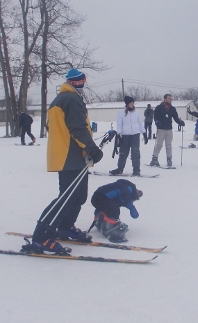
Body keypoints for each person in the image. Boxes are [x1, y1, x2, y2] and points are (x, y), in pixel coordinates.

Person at [23, 69, 104, 255]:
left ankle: (65, 227)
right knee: (66, 198)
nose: (84, 85)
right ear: (78, 83)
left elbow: (51, 126)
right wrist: (91, 148)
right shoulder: (71, 99)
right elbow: (78, 128)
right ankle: (41, 236)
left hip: (72, 156)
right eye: (83, 82)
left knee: (78, 196)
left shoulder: (60, 99)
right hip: (70, 157)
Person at [89, 179, 143, 243]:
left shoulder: (124, 186)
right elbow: (127, 202)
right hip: (100, 197)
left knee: (109, 207)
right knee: (114, 209)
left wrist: (97, 216)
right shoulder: (128, 190)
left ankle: (100, 222)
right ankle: (109, 230)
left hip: (97, 197)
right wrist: (132, 209)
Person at [110, 96, 146, 176]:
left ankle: (136, 170)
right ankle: (120, 169)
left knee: (135, 153)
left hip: (135, 135)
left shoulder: (137, 112)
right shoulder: (121, 112)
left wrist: (144, 133)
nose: (132, 104)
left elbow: (140, 123)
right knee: (123, 153)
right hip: (125, 135)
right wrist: (119, 134)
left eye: (133, 102)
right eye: (131, 103)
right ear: (127, 104)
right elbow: (119, 124)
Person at [150, 94, 185, 168]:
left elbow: (176, 118)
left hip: (169, 129)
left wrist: (180, 122)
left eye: (171, 99)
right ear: (165, 99)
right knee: (159, 144)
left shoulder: (172, 109)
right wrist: (157, 122)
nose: (170, 100)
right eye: (169, 99)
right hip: (161, 129)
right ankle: (154, 159)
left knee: (168, 145)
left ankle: (169, 159)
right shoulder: (159, 107)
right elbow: (155, 116)